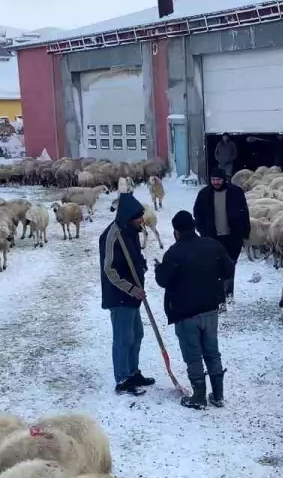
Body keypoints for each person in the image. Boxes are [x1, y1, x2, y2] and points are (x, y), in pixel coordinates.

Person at [154, 210, 233, 409]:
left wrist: (158, 269)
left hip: (185, 312)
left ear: (176, 232)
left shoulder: (174, 253)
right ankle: (218, 394)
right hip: (210, 309)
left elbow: (163, 280)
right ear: (194, 226)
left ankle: (198, 396)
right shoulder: (212, 245)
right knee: (212, 351)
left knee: (193, 354)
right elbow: (229, 269)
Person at [99, 191, 155, 396]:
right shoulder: (112, 235)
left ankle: (133, 372)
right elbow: (109, 269)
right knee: (123, 338)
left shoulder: (130, 231)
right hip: (120, 295)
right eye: (139, 217)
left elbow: (133, 258)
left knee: (136, 335)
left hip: (133, 295)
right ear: (129, 216)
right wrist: (131, 288)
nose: (142, 220)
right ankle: (122, 378)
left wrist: (142, 266)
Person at [192, 167, 250, 306]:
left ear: (224, 179)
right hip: (212, 237)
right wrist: (202, 230)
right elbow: (197, 213)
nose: (216, 182)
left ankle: (229, 292)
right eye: (213, 179)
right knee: (215, 266)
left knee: (230, 264)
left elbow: (244, 213)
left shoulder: (235, 193)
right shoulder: (204, 194)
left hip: (232, 236)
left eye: (218, 179)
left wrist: (244, 232)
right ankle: (219, 295)